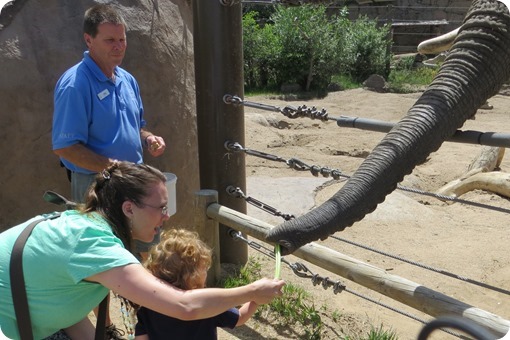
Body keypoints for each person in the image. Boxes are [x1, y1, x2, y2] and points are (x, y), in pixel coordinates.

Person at [0, 162, 285, 340]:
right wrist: (251, 292)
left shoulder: (86, 225)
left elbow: (63, 302)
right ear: (129, 208)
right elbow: (183, 306)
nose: (167, 215)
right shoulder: (97, 245)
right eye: (161, 207)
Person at [52, 3, 166, 204]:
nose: (119, 46)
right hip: (95, 185)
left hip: (131, 180)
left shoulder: (128, 80)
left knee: (131, 236)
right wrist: (113, 167)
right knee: (101, 236)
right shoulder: (75, 85)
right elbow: (66, 147)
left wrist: (148, 139)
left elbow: (137, 127)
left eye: (122, 39)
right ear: (89, 40)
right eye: (110, 40)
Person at [134, 228, 259, 339]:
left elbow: (142, 336)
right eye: (204, 268)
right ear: (192, 277)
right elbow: (241, 317)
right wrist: (257, 296)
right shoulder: (206, 303)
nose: (207, 270)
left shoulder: (150, 304)